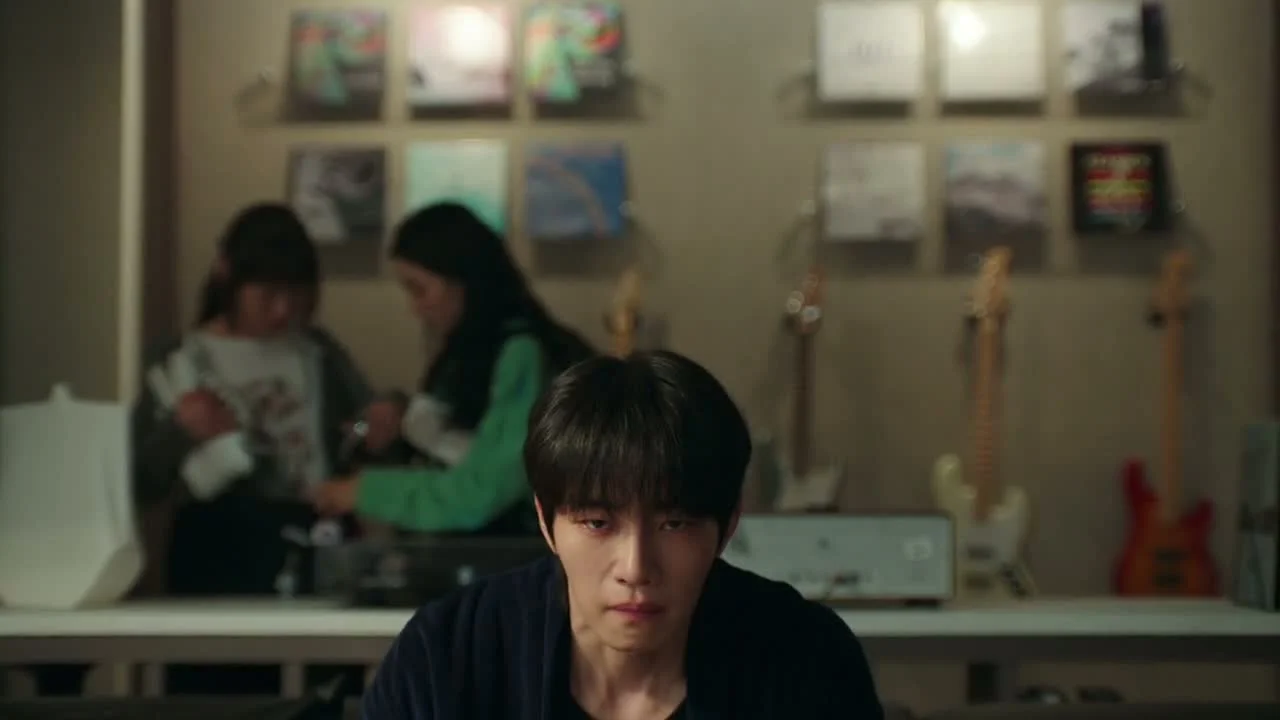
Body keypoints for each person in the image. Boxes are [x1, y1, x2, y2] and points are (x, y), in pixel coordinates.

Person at [361, 351, 885, 719]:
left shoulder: (805, 658)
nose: (635, 568)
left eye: (674, 524)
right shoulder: (448, 656)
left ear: (728, 525)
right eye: (597, 523)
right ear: (545, 520)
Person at [130, 202, 396, 694]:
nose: (282, 311)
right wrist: (181, 431)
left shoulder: (318, 352)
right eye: (268, 294)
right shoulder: (179, 360)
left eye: (296, 295)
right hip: (215, 546)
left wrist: (374, 428)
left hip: (311, 538)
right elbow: (139, 481)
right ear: (226, 274)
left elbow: (358, 442)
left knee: (321, 688)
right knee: (215, 690)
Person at [310, 202, 594, 534]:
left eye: (419, 290)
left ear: (463, 281)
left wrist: (364, 491)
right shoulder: (471, 349)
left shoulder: (523, 353)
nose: (415, 309)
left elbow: (484, 490)